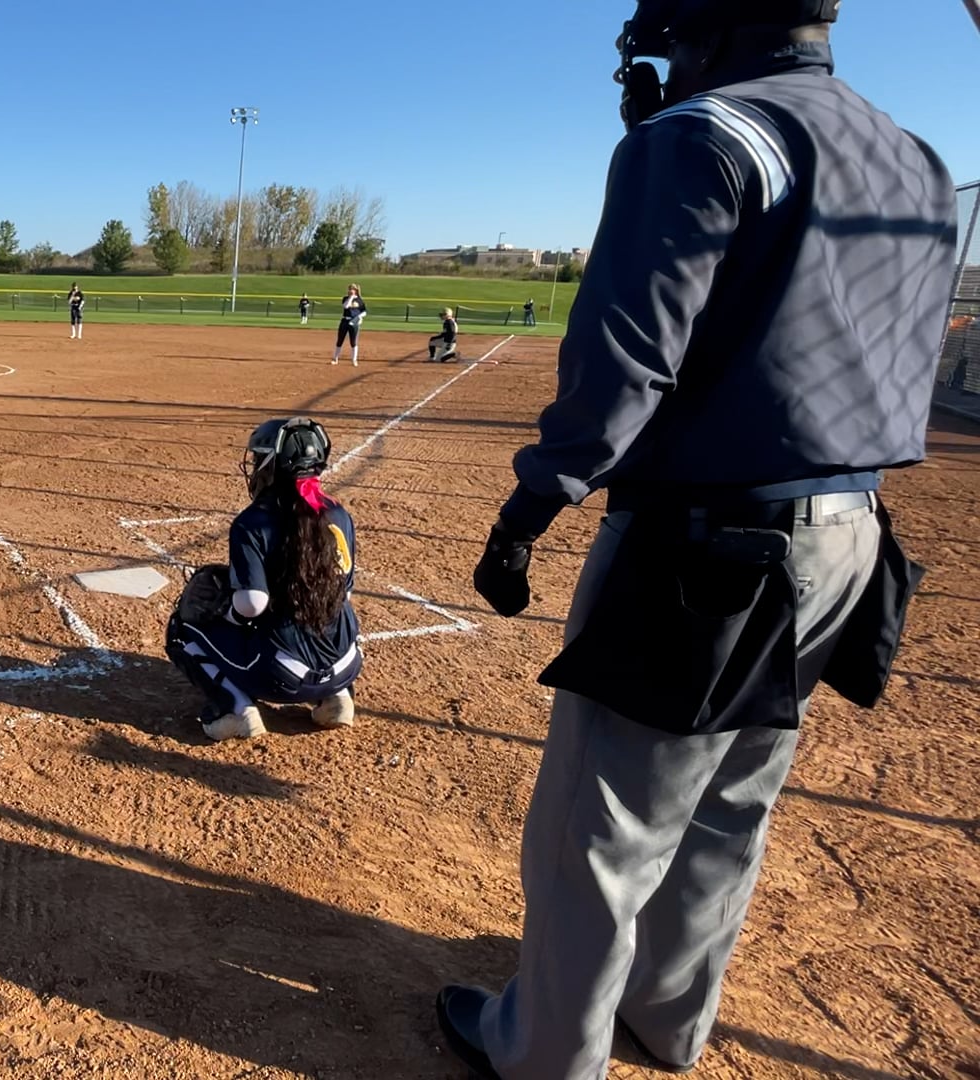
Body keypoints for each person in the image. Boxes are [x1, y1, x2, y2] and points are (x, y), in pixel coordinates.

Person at [439, 3, 956, 1078]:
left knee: (601, 830)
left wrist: (530, 509)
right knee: (732, 806)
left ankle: (542, 1055)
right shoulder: (913, 153)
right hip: (851, 536)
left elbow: (626, 364)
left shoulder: (700, 137)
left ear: (713, 22)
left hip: (704, 549)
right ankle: (667, 1021)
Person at [165, 417, 362, 742]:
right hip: (346, 663)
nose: (255, 465)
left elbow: (252, 604)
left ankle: (236, 709)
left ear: (273, 465)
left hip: (283, 676)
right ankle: (337, 697)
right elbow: (345, 593)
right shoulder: (339, 514)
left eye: (259, 459)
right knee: (325, 611)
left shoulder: (253, 522)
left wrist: (223, 613)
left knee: (182, 629)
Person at [331, 284, 366, 366]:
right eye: (349, 289)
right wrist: (351, 298)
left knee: (353, 342)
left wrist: (359, 317)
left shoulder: (360, 300)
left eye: (352, 289)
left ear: (356, 290)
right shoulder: (345, 298)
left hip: (354, 322)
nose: (350, 290)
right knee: (340, 340)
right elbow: (346, 306)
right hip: (345, 321)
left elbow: (364, 311)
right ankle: (335, 359)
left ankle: (354, 360)